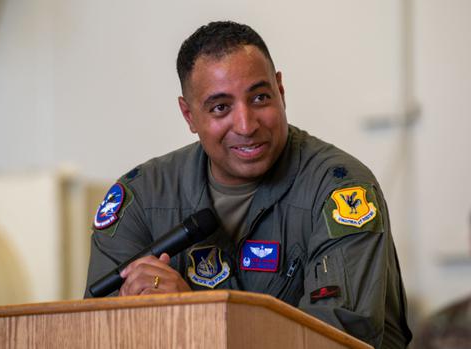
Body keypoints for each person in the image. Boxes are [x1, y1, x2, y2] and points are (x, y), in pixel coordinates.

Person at [85, 21, 412, 348]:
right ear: (189, 115)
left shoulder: (340, 190)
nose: (246, 124)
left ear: (280, 91)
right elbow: (94, 333)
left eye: (259, 98)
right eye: (220, 107)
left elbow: (336, 340)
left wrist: (194, 318)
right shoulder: (142, 197)